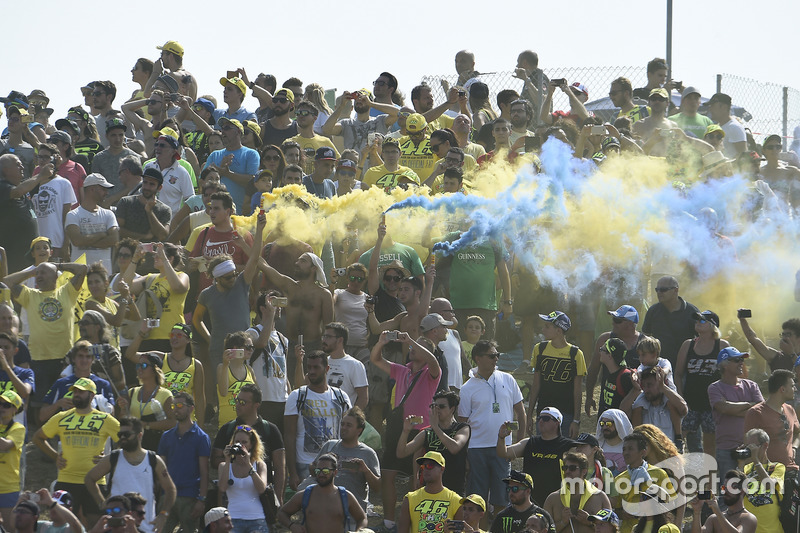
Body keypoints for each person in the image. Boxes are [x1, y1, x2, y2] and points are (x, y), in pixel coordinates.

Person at [370, 331, 441, 530]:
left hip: (420, 430)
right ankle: (389, 522)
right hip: (396, 428)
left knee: (416, 478)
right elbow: (375, 359)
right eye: (411, 346)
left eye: (418, 346)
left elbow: (434, 361)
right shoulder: (402, 370)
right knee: (388, 474)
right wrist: (381, 342)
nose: (412, 348)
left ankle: (413, 522)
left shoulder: (431, 373)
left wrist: (411, 340)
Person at [33, 378, 119, 524]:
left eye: (81, 392)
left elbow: (129, 442)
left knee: (96, 525)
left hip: (95, 482)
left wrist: (109, 460)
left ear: (92, 395)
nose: (76, 394)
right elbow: (37, 438)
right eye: (75, 392)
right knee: (62, 525)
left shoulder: (105, 419)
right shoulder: (62, 417)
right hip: (66, 480)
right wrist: (55, 456)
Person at [194, 211, 263, 392]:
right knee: (222, 389)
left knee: (246, 388)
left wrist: (260, 230)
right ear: (216, 278)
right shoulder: (207, 295)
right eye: (227, 278)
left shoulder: (241, 283)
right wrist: (210, 339)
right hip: (219, 349)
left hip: (245, 348)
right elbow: (197, 319)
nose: (233, 279)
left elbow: (255, 259)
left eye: (233, 275)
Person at [6, 260, 87, 407]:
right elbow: (7, 281)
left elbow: (82, 269)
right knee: (39, 404)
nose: (39, 275)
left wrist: (59, 265)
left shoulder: (67, 291)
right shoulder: (30, 295)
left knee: (66, 403)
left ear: (55, 275)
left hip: (64, 359)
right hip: (38, 359)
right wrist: (32, 272)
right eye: (37, 273)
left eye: (43, 272)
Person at [461, 340, 525, 512]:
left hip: (502, 448)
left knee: (502, 498)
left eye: (497, 355)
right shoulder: (467, 388)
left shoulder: (508, 379)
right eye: (492, 355)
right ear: (478, 359)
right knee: (477, 501)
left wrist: (518, 444)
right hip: (476, 449)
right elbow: (461, 424)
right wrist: (464, 454)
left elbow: (521, 412)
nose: (496, 359)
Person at [84, 417, 176, 533]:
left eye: (126, 434)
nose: (122, 438)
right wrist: (101, 503)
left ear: (139, 435)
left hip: (146, 526)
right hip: (117, 526)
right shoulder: (113, 458)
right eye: (120, 434)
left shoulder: (154, 460)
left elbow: (170, 489)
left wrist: (163, 514)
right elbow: (89, 478)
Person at [285, 350, 352, 491]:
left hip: (335, 464)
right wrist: (292, 472)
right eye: (309, 367)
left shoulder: (341, 397)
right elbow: (289, 435)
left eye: (316, 367)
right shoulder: (297, 396)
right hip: (304, 462)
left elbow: (349, 432)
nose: (311, 372)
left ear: (327, 369)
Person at [212, 383, 285, 504]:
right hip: (233, 495)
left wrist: (277, 498)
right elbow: (214, 461)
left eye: (243, 402)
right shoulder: (227, 429)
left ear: (256, 405)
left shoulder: (271, 430)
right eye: (237, 400)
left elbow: (280, 467)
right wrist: (233, 460)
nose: (237, 405)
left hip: (262, 496)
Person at [306, 407, 380, 514]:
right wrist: (322, 466)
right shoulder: (330, 446)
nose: (344, 428)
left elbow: (377, 488)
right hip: (324, 507)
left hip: (352, 512)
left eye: (349, 425)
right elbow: (312, 469)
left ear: (359, 430)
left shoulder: (368, 453)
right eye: (342, 424)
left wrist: (365, 470)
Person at [497, 406, 574, 508]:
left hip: (556, 501)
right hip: (530, 501)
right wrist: (501, 437)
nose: (541, 421)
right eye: (539, 418)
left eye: (546, 419)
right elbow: (504, 453)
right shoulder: (529, 442)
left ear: (557, 423)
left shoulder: (568, 446)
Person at [396, 390, 470, 495]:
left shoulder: (462, 428)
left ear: (452, 409)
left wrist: (435, 427)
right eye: (433, 406)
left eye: (441, 406)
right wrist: (405, 431)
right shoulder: (427, 432)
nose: (437, 410)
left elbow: (455, 448)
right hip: (430, 491)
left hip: (455, 489)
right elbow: (401, 453)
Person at [675, 311, 729, 454]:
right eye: (697, 320)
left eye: (703, 320)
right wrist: (680, 398)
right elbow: (678, 374)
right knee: (678, 441)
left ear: (713, 326)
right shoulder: (688, 345)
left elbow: (729, 374)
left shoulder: (722, 345)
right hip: (690, 403)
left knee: (709, 446)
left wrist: (725, 399)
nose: (698, 322)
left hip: (712, 404)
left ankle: (709, 475)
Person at [157, 391, 210, 533]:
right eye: (174, 406)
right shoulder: (166, 437)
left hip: (190, 496)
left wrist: (202, 499)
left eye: (180, 405)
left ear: (191, 408)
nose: (176, 409)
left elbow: (204, 471)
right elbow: (160, 469)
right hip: (167, 496)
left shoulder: (201, 437)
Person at [708, 347, 764, 480]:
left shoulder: (752, 385)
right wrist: (749, 405)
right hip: (726, 449)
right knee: (727, 491)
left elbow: (760, 410)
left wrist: (732, 408)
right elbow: (723, 408)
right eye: (737, 360)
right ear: (725, 364)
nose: (741, 363)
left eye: (742, 360)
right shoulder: (714, 388)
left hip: (752, 449)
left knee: (752, 490)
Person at [277, 453, 368, 533]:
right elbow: (282, 513)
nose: (321, 474)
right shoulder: (305, 495)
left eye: (325, 471)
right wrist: (292, 526)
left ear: (335, 472)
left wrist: (359, 531)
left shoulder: (345, 496)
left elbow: (362, 518)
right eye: (318, 471)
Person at [528, 311, 585, 436]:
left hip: (566, 414)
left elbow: (577, 390)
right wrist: (529, 416)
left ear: (559, 330)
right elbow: (536, 385)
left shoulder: (576, 354)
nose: (543, 329)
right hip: (543, 412)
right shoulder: (540, 348)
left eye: (547, 326)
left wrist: (576, 420)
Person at [126, 243, 190, 352]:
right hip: (149, 336)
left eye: (158, 254)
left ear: (170, 258)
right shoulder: (150, 278)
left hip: (173, 336)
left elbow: (178, 287)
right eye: (155, 254)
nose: (155, 257)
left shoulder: (182, 275)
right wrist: (134, 259)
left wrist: (164, 260)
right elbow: (126, 286)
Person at [585, 305, 645, 414]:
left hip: (636, 408)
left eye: (617, 320)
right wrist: (589, 397)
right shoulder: (605, 339)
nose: (612, 323)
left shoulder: (645, 343)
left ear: (630, 324)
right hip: (608, 405)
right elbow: (593, 370)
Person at [611, 433, 675, 533]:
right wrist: (623, 514)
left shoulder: (659, 474)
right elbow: (616, 509)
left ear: (643, 452)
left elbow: (672, 503)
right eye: (624, 449)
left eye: (630, 449)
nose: (626, 453)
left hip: (656, 528)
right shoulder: (620, 478)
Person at [0, 153, 53, 273]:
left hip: (28, 257)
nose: (22, 167)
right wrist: (40, 175)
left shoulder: (22, 189)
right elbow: (16, 192)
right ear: (6, 169)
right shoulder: (2, 187)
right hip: (12, 257)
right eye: (18, 165)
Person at [40, 340, 115, 422]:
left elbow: (111, 416)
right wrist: (58, 404)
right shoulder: (61, 383)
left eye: (88, 357)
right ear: (73, 359)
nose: (84, 360)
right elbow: (42, 416)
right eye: (80, 356)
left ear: (92, 360)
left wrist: (94, 404)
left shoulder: (103, 384)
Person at [246, 291, 290, 430]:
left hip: (282, 400)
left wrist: (289, 395)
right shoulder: (252, 333)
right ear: (262, 308)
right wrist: (270, 315)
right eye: (272, 303)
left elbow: (284, 372)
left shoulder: (283, 339)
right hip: (261, 400)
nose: (277, 308)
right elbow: (261, 343)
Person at [117, 352, 175, 451]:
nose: (139, 368)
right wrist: (122, 409)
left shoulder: (165, 394)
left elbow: (173, 422)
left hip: (156, 444)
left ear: (155, 369)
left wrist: (147, 425)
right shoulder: (132, 392)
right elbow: (123, 421)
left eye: (143, 365)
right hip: (134, 445)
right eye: (138, 366)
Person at [218, 425, 271, 533]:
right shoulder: (224, 466)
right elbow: (222, 488)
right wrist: (228, 460)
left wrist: (248, 465)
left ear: (251, 445)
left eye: (244, 442)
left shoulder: (260, 465)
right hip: (233, 519)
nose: (240, 445)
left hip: (256, 519)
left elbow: (261, 489)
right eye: (237, 441)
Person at [744, 369, 800, 470]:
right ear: (782, 389)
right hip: (767, 474)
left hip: (790, 471)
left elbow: (797, 433)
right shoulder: (755, 413)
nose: (795, 389)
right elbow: (748, 445)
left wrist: (794, 447)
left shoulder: (790, 410)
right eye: (792, 386)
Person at [543, 451, 611, 533]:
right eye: (565, 468)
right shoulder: (553, 499)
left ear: (584, 471)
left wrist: (590, 523)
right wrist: (562, 523)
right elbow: (543, 530)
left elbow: (611, 529)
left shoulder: (600, 497)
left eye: (572, 468)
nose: (567, 471)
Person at [204, 117, 260, 214]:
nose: (223, 132)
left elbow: (252, 183)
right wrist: (219, 171)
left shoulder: (251, 154)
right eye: (222, 129)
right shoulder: (214, 155)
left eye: (227, 128)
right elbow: (203, 182)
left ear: (238, 132)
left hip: (241, 214)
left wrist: (228, 173)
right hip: (216, 213)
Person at [65, 173, 119, 270]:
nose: (106, 192)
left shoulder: (109, 214)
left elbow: (114, 239)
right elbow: (77, 241)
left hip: (103, 275)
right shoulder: (73, 215)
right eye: (103, 189)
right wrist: (102, 235)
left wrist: (85, 241)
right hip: (80, 275)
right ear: (92, 189)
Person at [641, 276, 699, 367]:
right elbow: (645, 337)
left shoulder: (692, 312)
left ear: (676, 290)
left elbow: (702, 338)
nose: (659, 293)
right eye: (657, 289)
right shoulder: (653, 311)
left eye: (663, 289)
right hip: (658, 366)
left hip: (685, 366)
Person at [398, 452, 463, 533]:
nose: (425, 470)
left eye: (430, 466)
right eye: (423, 467)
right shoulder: (410, 499)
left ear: (442, 468)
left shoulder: (456, 501)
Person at [31, 143, 77, 257]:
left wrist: (66, 244)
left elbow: (67, 216)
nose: (42, 160)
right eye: (40, 157)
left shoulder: (63, 183)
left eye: (46, 157)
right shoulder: (32, 183)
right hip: (36, 241)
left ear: (55, 158)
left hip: (56, 241)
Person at [736, 428, 784, 531]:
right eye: (746, 446)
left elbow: (768, 485)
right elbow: (735, 492)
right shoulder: (746, 468)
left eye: (752, 446)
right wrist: (740, 463)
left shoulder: (778, 467)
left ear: (765, 445)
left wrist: (756, 460)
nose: (748, 450)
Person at [628, 366, 688, 444]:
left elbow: (683, 409)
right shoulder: (640, 407)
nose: (646, 390)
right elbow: (623, 410)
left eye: (650, 385)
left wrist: (663, 387)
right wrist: (636, 389)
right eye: (644, 386)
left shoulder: (671, 405)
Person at [114, 167, 172, 243]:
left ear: (159, 187)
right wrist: (142, 237)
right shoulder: (126, 202)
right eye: (145, 182)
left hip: (152, 253)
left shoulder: (164, 210)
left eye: (152, 184)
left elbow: (162, 236)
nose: (147, 187)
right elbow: (117, 230)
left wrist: (149, 211)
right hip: (127, 252)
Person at [689, 470, 757, 533]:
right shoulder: (714, 518)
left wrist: (717, 512)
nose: (726, 491)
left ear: (742, 490)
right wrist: (697, 512)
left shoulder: (749, 518)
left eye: (731, 487)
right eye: (724, 488)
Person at [321, 322, 368, 409]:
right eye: (323, 336)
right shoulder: (321, 362)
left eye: (328, 337)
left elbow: (363, 398)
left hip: (343, 418)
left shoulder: (355, 365)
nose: (324, 340)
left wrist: (350, 417)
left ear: (340, 340)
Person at [215, 332, 257, 429]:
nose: (251, 350)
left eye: (252, 347)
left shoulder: (250, 370)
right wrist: (226, 364)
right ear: (235, 348)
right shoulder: (222, 367)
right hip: (227, 424)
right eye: (247, 347)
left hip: (248, 425)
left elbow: (256, 397)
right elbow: (223, 392)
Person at [0, 390, 25, 525]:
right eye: (0, 403)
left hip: (7, 487)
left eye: (6, 405)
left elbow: (5, 445)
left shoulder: (18, 428)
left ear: (14, 410)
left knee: (9, 527)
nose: (1, 407)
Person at [593, 338, 635, 415]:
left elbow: (635, 408)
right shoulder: (609, 372)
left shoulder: (626, 377)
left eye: (602, 350)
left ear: (609, 356)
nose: (600, 352)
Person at [707, 93, 747, 158]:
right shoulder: (718, 127)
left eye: (712, 106)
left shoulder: (734, 127)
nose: (710, 109)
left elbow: (744, 156)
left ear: (724, 107)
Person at [595, 410, 633, 476]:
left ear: (619, 424)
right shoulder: (596, 448)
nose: (605, 427)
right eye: (602, 423)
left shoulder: (631, 448)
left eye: (609, 424)